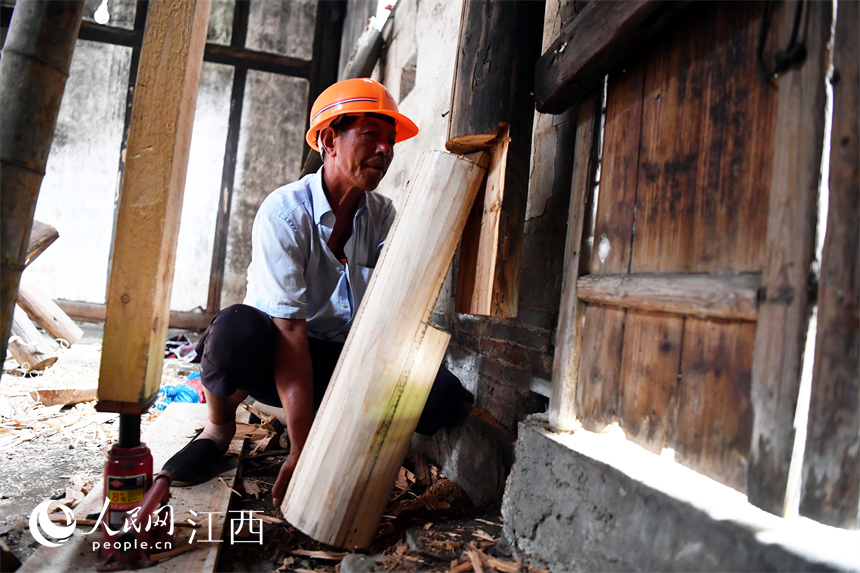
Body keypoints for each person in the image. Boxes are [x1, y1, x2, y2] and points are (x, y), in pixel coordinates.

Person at [163, 78, 470, 508]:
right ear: (329, 140)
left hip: (340, 359)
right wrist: (301, 448)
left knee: (444, 398)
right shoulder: (284, 213)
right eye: (371, 134)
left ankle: (329, 424)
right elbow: (290, 333)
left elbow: (393, 310)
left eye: (390, 138)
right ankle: (217, 430)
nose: (385, 148)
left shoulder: (383, 215)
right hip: (278, 355)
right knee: (234, 330)